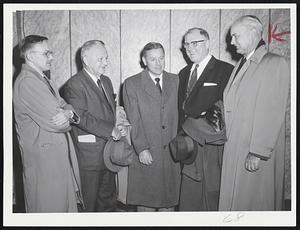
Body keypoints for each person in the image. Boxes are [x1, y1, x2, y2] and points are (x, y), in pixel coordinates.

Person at [219, 15, 290, 211]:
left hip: (254, 152)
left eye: (235, 36)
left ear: (253, 32)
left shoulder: (275, 64)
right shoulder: (242, 64)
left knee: (255, 204)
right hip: (236, 147)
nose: (231, 42)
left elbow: (272, 112)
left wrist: (258, 151)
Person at [13, 35, 83, 212]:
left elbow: (65, 107)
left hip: (53, 161)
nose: (51, 57)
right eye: (46, 53)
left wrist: (67, 112)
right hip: (44, 165)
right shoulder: (28, 82)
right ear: (30, 56)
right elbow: (58, 123)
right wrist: (68, 116)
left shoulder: (42, 79)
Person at [62, 40, 124, 212]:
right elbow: (80, 116)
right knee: (89, 206)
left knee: (108, 203)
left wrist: (119, 121)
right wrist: (109, 129)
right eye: (100, 59)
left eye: (106, 58)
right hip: (89, 157)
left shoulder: (106, 81)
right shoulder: (74, 84)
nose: (105, 62)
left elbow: (107, 111)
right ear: (86, 60)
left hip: (109, 154)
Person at [177, 28, 234, 211]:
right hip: (187, 144)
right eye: (186, 44)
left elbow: (227, 109)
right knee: (190, 196)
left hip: (211, 144)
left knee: (211, 194)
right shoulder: (183, 73)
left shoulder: (226, 70)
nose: (190, 48)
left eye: (195, 43)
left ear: (208, 43)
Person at [123, 42, 181, 211]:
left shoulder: (176, 80)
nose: (158, 63)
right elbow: (134, 119)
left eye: (161, 58)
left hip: (171, 154)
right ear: (144, 60)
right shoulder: (132, 83)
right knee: (146, 206)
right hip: (147, 151)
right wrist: (141, 148)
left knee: (169, 205)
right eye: (153, 59)